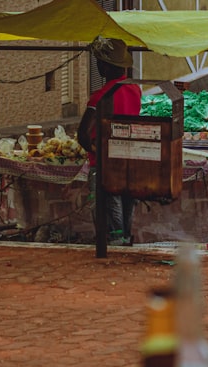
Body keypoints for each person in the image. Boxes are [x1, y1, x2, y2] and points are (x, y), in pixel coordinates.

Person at [78, 37, 141, 245]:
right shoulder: (135, 90)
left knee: (109, 221)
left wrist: (96, 150)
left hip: (105, 166)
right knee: (125, 217)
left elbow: (82, 135)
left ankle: (111, 254)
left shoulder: (101, 96)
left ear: (104, 66)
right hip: (129, 163)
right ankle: (124, 248)